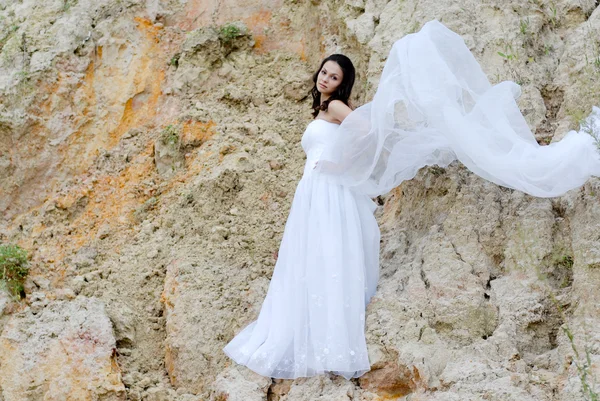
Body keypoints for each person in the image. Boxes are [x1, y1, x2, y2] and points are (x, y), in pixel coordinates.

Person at [223, 19, 600, 380]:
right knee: (316, 255)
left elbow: (367, 129)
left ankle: (327, 340)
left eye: (334, 77)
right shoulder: (322, 108)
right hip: (314, 190)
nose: (326, 78)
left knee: (327, 255)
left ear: (342, 84)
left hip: (327, 188)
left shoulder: (336, 107)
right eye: (324, 72)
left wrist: (339, 163)